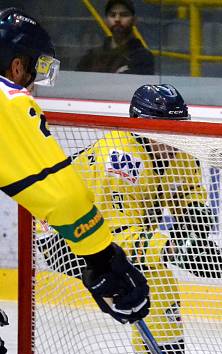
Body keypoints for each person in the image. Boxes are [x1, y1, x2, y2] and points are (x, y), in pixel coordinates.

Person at [38, 84, 222, 354]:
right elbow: (114, 241)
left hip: (111, 236)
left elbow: (191, 207)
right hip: (64, 238)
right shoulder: (120, 160)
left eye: (179, 126)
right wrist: (182, 252)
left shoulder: (177, 151)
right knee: (152, 275)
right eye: (165, 128)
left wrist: (196, 232)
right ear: (140, 125)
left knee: (154, 270)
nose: (174, 135)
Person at [0, 7, 150, 327]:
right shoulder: (7, 100)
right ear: (16, 66)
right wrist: (102, 258)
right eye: (31, 73)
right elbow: (59, 195)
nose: (31, 85)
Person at [76, 0, 154, 75]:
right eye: (112, 15)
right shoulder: (91, 56)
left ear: (134, 20)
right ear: (106, 21)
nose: (117, 19)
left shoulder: (143, 58)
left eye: (124, 15)